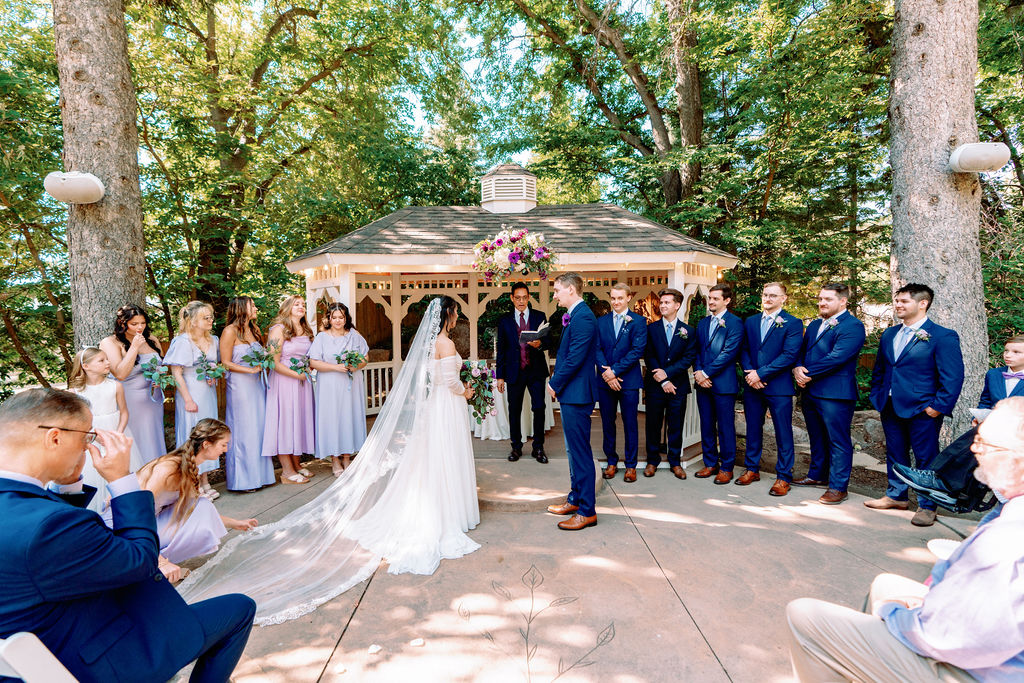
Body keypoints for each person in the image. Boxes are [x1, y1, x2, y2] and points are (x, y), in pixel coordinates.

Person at [177, 297, 479, 625]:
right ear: (449, 314)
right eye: (456, 312)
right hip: (444, 406)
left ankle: (435, 500)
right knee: (440, 454)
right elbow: (451, 383)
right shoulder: (446, 343)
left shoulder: (427, 343)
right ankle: (447, 505)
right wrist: (469, 393)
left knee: (430, 456)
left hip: (432, 407)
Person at [0, 388, 255, 683]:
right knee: (239, 608)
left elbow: (38, 536)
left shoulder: (24, 511)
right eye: (87, 439)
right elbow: (141, 561)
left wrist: (69, 486)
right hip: (88, 657)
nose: (87, 449)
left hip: (29, 646)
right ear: (55, 438)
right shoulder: (50, 527)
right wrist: (123, 481)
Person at [786, 396, 1024, 682]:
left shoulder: (1007, 537)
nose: (974, 450)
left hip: (977, 670)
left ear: (1016, 460)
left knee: (803, 616)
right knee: (885, 584)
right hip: (985, 643)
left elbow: (947, 638)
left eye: (984, 443)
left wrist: (896, 612)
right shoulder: (1010, 509)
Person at [866, 284, 965, 527]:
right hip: (889, 405)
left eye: (904, 301)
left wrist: (938, 407)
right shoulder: (889, 334)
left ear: (923, 304)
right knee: (895, 453)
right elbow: (881, 368)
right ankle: (896, 495)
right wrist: (877, 394)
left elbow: (953, 377)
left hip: (924, 409)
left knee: (926, 458)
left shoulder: (942, 336)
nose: (898, 305)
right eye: (896, 300)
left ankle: (927, 505)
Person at [119, 419, 258, 582]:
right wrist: (160, 561)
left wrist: (236, 523)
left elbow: (194, 513)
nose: (226, 449)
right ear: (206, 444)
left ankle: (153, 561)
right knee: (201, 508)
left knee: (201, 505)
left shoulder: (189, 467)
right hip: (124, 527)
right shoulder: (169, 468)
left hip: (146, 521)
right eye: (223, 444)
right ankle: (150, 563)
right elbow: (135, 511)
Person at [792, 283, 867, 505]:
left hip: (836, 394)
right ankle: (816, 475)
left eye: (828, 299)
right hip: (811, 391)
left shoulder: (853, 326)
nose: (822, 303)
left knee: (838, 441)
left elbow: (838, 357)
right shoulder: (815, 325)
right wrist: (797, 368)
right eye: (821, 298)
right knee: (816, 437)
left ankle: (838, 487)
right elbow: (801, 352)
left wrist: (807, 373)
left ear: (843, 301)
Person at [545, 273, 600, 530]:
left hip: (578, 394)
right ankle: (576, 499)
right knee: (572, 451)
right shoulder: (575, 315)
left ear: (570, 290)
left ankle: (587, 511)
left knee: (580, 453)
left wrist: (554, 383)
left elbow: (575, 358)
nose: (554, 295)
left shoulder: (584, 317)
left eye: (557, 290)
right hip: (572, 393)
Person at [739, 282, 804, 495]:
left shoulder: (793, 323)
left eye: (773, 295)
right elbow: (745, 349)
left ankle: (783, 477)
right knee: (753, 428)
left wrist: (762, 373)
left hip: (779, 386)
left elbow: (789, 355)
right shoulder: (751, 321)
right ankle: (751, 469)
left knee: (783, 432)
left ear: (783, 298)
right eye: (765, 294)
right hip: (752, 385)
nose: (767, 298)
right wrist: (751, 373)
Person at [67, 347, 142, 511]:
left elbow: (124, 412)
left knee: (122, 471)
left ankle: (123, 508)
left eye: (107, 359)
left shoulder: (115, 386)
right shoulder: (75, 391)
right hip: (90, 435)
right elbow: (75, 420)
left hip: (115, 431)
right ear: (86, 366)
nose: (108, 363)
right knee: (92, 472)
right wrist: (94, 434)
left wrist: (118, 432)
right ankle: (97, 510)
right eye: (101, 360)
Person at [166, 301, 221, 499]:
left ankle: (205, 480)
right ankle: (192, 484)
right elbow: (176, 373)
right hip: (191, 393)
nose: (210, 320)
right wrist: (188, 399)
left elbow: (214, 364)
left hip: (208, 393)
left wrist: (214, 374)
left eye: (211, 317)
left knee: (208, 436)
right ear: (193, 321)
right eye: (205, 317)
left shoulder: (213, 339)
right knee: (193, 437)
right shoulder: (183, 341)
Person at [99, 304, 167, 466]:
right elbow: (120, 373)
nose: (140, 327)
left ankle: (157, 476)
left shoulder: (152, 340)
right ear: (122, 324)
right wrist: (135, 347)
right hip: (129, 400)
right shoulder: (110, 342)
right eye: (134, 324)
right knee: (137, 440)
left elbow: (162, 365)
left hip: (153, 400)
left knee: (154, 437)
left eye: (142, 323)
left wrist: (160, 377)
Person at [219, 297, 275, 491]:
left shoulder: (254, 330)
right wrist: (249, 370)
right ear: (242, 308)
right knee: (244, 430)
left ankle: (262, 476)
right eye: (253, 305)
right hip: (240, 386)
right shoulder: (229, 331)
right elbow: (225, 362)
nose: (256, 308)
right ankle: (242, 481)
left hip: (257, 385)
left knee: (258, 428)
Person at [309, 302, 369, 476]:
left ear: (346, 318)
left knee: (348, 417)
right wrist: (336, 367)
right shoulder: (321, 337)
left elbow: (365, 357)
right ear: (329, 318)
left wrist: (356, 366)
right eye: (334, 317)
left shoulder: (355, 336)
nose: (337, 320)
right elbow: (313, 362)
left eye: (341, 317)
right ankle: (335, 460)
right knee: (333, 418)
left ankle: (347, 458)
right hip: (329, 384)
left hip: (351, 382)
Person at [642, 288, 697, 480]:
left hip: (678, 386)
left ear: (677, 305)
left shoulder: (688, 331)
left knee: (676, 424)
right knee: (653, 424)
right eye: (661, 302)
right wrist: (662, 378)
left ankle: (675, 461)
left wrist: (669, 374)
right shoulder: (651, 329)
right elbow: (648, 355)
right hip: (655, 385)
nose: (662, 305)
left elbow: (688, 357)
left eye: (667, 302)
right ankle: (652, 460)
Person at [261, 295, 316, 485]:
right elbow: (272, 362)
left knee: (298, 421)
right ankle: (286, 471)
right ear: (287, 308)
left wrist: (309, 369)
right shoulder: (278, 329)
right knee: (285, 422)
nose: (301, 307)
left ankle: (297, 464)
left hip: (303, 382)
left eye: (303, 304)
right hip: (284, 381)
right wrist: (297, 375)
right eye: (297, 304)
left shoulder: (306, 329)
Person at [597, 283, 648, 483]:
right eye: (613, 298)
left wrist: (615, 372)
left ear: (628, 298)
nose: (616, 302)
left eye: (620, 298)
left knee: (630, 424)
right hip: (605, 381)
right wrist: (607, 374)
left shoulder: (638, 321)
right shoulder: (601, 322)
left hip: (628, 381)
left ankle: (631, 465)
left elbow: (637, 351)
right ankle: (611, 461)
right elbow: (596, 349)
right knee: (607, 423)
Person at [693, 284, 744, 484]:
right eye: (710, 298)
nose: (711, 301)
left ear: (727, 301)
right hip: (702, 383)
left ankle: (727, 467)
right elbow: (698, 350)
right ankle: (710, 463)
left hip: (724, 384)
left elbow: (728, 353)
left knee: (725, 427)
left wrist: (706, 372)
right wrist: (698, 373)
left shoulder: (735, 323)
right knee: (706, 425)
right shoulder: (703, 323)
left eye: (715, 298)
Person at [495, 282, 550, 464]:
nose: (521, 301)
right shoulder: (504, 321)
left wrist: (540, 344)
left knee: (539, 408)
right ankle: (516, 447)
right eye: (517, 297)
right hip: (514, 372)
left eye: (524, 297)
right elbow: (501, 349)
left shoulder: (539, 316)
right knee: (514, 410)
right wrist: (500, 376)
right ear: (512, 298)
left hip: (535, 371)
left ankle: (538, 448)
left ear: (528, 298)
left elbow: (549, 341)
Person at [978, 334, 1024, 409]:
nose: (1008, 355)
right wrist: (978, 419)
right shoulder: (993, 374)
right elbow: (985, 402)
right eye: (1006, 351)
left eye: (1016, 352)